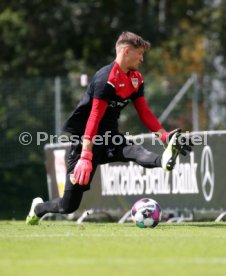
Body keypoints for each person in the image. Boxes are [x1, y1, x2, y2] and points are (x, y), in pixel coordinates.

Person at [26, 31, 192, 225]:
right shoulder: (106, 79)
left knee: (135, 151)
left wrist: (164, 136)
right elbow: (94, 118)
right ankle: (38, 208)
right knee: (68, 206)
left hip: (110, 138)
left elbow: (144, 112)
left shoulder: (136, 78)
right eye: (139, 53)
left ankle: (164, 160)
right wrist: (86, 157)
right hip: (85, 141)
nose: (142, 58)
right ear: (127, 51)